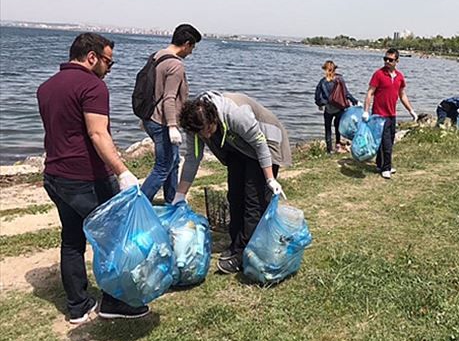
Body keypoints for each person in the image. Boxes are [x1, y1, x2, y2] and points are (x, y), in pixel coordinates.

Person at [37, 33, 148, 324]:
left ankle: (78, 307)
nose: (110, 68)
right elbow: (98, 133)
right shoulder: (93, 86)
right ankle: (114, 302)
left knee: (72, 240)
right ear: (92, 57)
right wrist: (122, 172)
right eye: (108, 61)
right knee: (114, 239)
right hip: (86, 178)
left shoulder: (46, 87)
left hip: (54, 176)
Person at [174, 91, 292, 274]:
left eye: (206, 130)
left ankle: (244, 254)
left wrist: (270, 179)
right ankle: (237, 242)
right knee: (235, 196)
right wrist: (180, 193)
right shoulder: (194, 123)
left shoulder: (235, 114)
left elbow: (260, 143)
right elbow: (192, 158)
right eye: (200, 132)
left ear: (213, 118)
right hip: (238, 148)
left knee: (254, 201)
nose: (204, 135)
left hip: (266, 142)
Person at [141, 24, 202, 204]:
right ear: (186, 44)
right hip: (162, 122)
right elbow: (169, 98)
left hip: (151, 118)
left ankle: (172, 202)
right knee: (163, 167)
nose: (191, 52)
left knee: (173, 162)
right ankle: (137, 207)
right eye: (192, 47)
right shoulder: (175, 65)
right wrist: (172, 126)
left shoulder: (157, 56)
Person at [363, 48, 417, 179]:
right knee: (386, 142)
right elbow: (370, 92)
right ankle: (386, 168)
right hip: (379, 115)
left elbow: (402, 95)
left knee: (389, 141)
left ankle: (380, 164)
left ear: (397, 61)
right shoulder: (378, 74)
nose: (387, 61)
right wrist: (365, 111)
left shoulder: (399, 77)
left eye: (390, 60)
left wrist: (411, 111)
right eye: (385, 59)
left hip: (392, 114)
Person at [314, 60, 358, 154]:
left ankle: (329, 150)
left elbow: (317, 95)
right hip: (339, 108)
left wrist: (320, 104)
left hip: (329, 109)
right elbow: (345, 93)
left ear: (325, 69)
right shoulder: (339, 79)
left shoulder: (322, 82)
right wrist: (354, 100)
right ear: (334, 69)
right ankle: (338, 145)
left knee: (328, 128)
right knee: (338, 127)